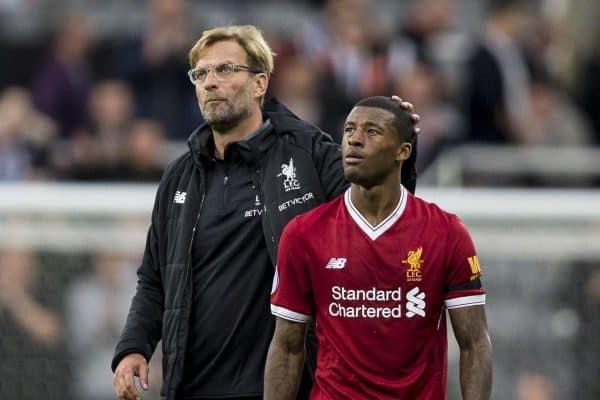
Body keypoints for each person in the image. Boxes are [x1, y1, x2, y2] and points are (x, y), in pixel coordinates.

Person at [111, 24, 419, 400]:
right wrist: (132, 347)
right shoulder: (180, 177)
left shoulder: (310, 155)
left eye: (225, 70)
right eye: (201, 73)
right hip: (192, 386)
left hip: (292, 385)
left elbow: (379, 217)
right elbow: (154, 279)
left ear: (260, 84)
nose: (210, 82)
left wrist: (396, 155)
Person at [265, 96, 492, 399]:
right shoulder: (304, 233)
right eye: (349, 130)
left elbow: (474, 344)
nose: (354, 140)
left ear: (403, 151)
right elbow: (287, 347)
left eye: (372, 132)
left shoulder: (446, 232)